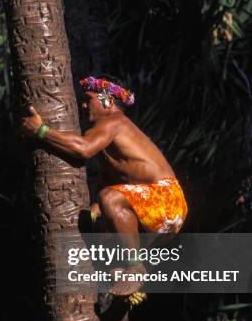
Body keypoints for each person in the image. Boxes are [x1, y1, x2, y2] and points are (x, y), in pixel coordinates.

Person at [20, 75, 188, 296]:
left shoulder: (113, 122)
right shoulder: (114, 136)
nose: (82, 105)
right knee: (102, 245)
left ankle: (135, 268)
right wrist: (93, 213)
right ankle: (128, 291)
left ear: (107, 101)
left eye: (88, 99)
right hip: (165, 212)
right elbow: (114, 182)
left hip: (165, 199)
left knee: (109, 198)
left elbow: (83, 148)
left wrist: (41, 131)